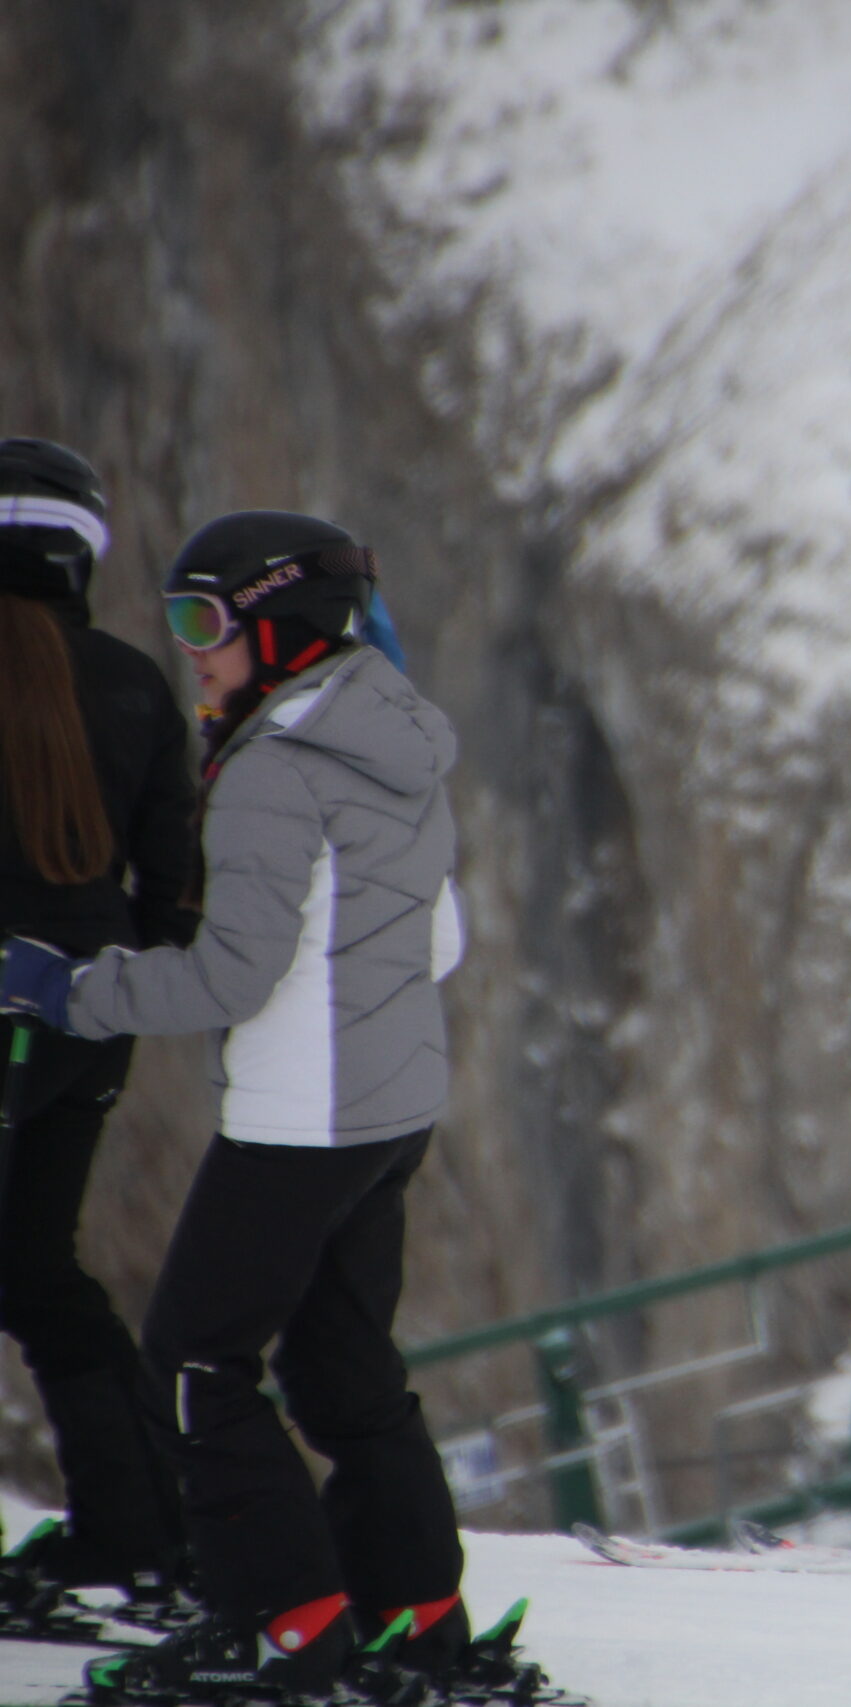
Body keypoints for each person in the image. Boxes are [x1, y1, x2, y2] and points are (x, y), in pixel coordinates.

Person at [1, 511, 469, 1699]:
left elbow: (228, 976)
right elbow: (443, 938)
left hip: (300, 1113)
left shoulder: (273, 774)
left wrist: (68, 987)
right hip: (392, 1101)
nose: (189, 650)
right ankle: (416, 1619)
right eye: (176, 620)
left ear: (280, 623)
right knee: (342, 1363)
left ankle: (291, 1628)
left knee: (194, 1361)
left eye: (205, 621)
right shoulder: (398, 732)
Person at [0, 438, 194, 1612]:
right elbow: (178, 896)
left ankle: (136, 1525)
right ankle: (141, 1525)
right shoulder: (133, 684)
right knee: (34, 1268)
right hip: (85, 1027)